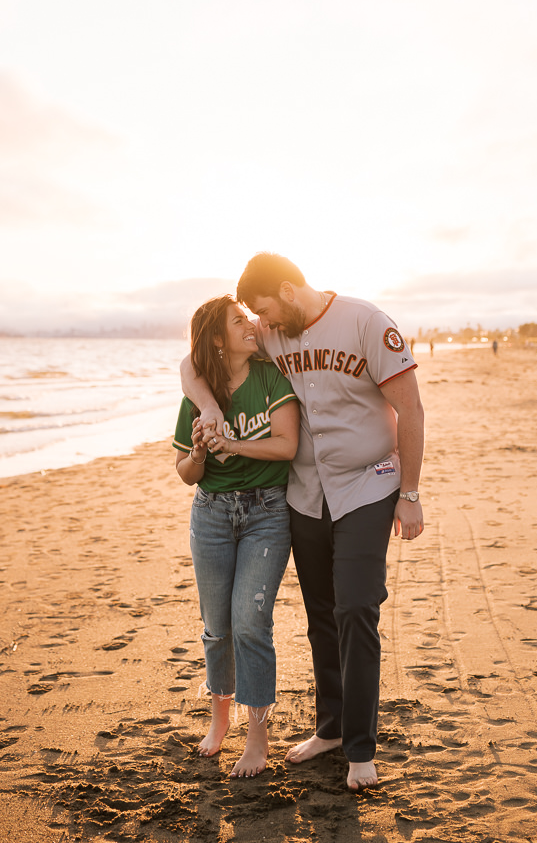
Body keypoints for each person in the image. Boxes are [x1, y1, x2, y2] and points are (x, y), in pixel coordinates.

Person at [181, 254, 425, 791]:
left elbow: (411, 408)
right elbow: (194, 363)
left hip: (368, 484)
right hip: (307, 493)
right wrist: (209, 408)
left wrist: (410, 493)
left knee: (356, 608)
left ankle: (361, 748)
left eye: (264, 309)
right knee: (321, 616)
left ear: (288, 292)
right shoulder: (271, 334)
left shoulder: (366, 322)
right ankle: (331, 729)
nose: (259, 322)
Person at [173, 295, 300, 778]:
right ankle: (219, 720)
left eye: (249, 316)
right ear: (218, 339)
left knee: (250, 622)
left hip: (267, 512)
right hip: (211, 514)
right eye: (238, 320)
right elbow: (185, 472)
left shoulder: (269, 376)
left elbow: (287, 445)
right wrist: (200, 452)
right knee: (217, 625)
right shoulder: (199, 393)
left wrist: (232, 443)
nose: (250, 324)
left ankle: (257, 738)